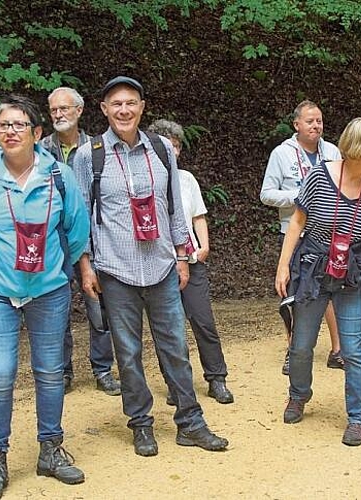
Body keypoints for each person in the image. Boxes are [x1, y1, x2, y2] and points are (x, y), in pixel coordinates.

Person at [73, 76, 228, 457]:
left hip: (161, 267)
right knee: (127, 354)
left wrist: (181, 255)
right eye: (116, 104)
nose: (124, 110)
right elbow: (81, 219)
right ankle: (141, 424)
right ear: (104, 109)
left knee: (175, 348)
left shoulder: (160, 149)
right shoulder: (88, 155)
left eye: (131, 102)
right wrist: (86, 267)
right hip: (115, 271)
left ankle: (190, 423)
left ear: (142, 106)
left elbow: (175, 206)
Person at [0, 95, 90, 498]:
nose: (10, 132)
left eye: (18, 125)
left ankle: (50, 449)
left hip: (48, 289)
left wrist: (55, 269)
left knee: (50, 372)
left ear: (37, 133)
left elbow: (76, 230)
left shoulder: (60, 176)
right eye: (3, 125)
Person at [275, 117, 361, 446]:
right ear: (359, 148)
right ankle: (298, 394)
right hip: (314, 264)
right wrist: (283, 265)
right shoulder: (319, 176)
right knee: (301, 345)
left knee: (353, 349)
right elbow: (297, 220)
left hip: (352, 269)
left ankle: (359, 417)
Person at [40, 86, 121, 396]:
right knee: (55, 309)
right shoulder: (40, 149)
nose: (59, 115)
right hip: (51, 242)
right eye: (54, 110)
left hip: (94, 240)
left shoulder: (97, 148)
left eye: (65, 109)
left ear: (79, 111)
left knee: (98, 306)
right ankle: (62, 372)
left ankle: (102, 370)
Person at [147, 119, 234, 405]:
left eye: (175, 147)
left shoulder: (187, 179)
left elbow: (198, 215)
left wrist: (204, 245)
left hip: (192, 259)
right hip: (160, 264)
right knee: (168, 329)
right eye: (165, 147)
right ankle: (176, 384)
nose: (171, 152)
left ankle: (216, 378)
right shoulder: (145, 178)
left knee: (202, 320)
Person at [260, 100, 345, 375]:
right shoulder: (282, 154)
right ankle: (293, 350)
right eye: (309, 121)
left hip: (328, 233)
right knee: (295, 293)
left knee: (332, 290)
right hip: (295, 234)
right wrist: (298, 199)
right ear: (296, 124)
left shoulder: (332, 151)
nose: (315, 126)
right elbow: (266, 193)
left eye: (319, 121)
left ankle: (338, 350)